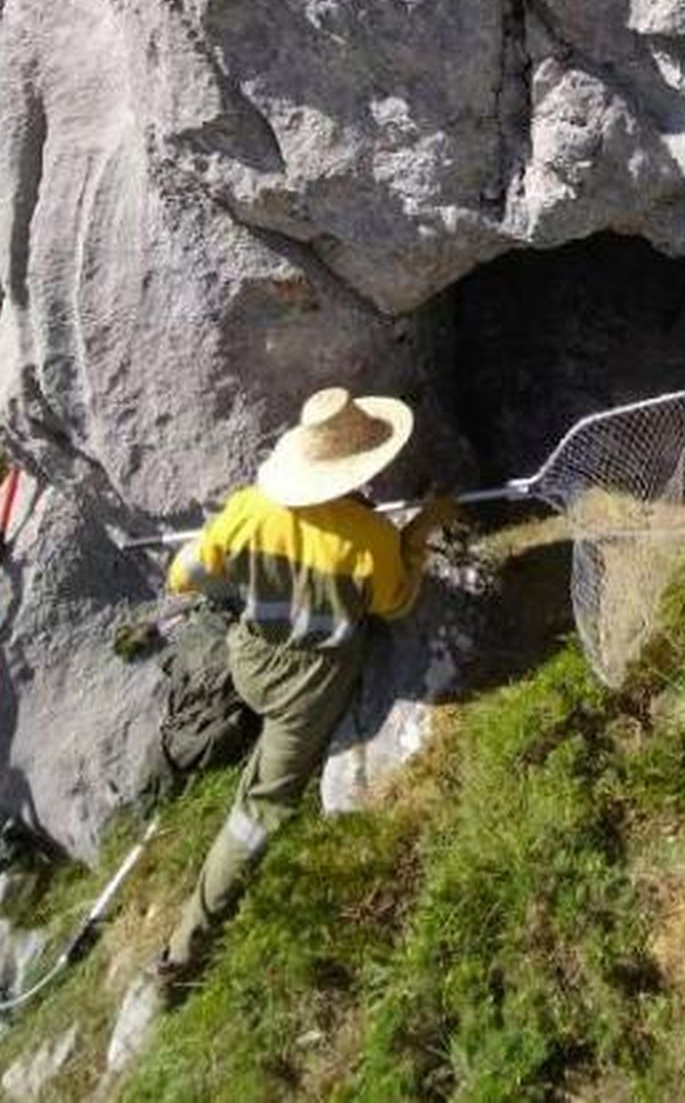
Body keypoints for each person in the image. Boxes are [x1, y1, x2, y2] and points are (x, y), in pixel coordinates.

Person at [153, 385, 457, 995]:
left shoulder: (247, 508)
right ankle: (183, 952)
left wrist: (222, 543)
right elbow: (396, 603)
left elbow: (183, 578)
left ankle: (237, 728)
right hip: (307, 688)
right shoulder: (368, 538)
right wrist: (420, 532)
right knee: (258, 810)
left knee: (238, 646)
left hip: (250, 660)